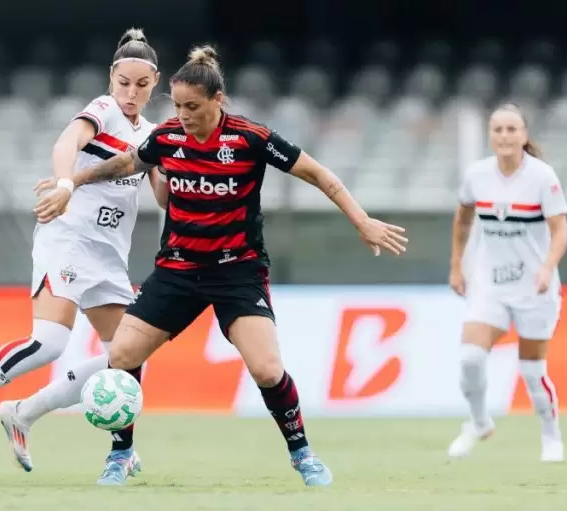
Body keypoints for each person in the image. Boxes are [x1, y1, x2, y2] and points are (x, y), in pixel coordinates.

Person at [34, 45, 408, 487]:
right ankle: (121, 454)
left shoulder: (251, 138)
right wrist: (72, 181)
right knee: (122, 353)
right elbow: (127, 162)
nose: (183, 115)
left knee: (268, 368)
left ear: (218, 101)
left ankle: (301, 452)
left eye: (192, 106)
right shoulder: (168, 137)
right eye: (176, 106)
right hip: (177, 270)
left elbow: (319, 174)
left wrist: (361, 221)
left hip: (238, 272)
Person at [0, 28, 168, 477]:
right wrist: (63, 184)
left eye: (141, 84)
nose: (130, 93)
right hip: (70, 239)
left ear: (155, 83)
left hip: (109, 256)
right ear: (111, 79)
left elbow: (162, 198)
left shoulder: (152, 134)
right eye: (123, 83)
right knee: (50, 342)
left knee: (129, 355)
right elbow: (66, 144)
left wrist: (176, 168)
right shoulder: (103, 110)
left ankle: (24, 412)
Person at [447, 103, 567, 462]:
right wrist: (457, 265)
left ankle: (551, 436)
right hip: (490, 284)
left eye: (512, 129)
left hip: (535, 287)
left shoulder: (543, 177)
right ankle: (479, 422)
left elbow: (560, 230)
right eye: (498, 129)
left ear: (524, 135)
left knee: (533, 372)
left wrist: (547, 268)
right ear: (490, 135)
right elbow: (463, 221)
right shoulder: (477, 175)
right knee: (470, 357)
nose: (504, 136)